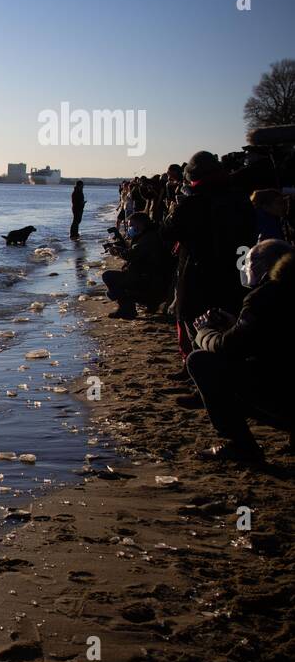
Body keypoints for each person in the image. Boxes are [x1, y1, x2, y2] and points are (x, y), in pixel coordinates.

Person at [186, 241, 295, 461]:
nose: (247, 267)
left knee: (200, 362)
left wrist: (204, 333)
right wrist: (236, 325)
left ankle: (241, 445)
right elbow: (272, 339)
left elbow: (228, 349)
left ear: (267, 265)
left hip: (284, 396)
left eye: (252, 261)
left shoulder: (265, 296)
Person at [160, 151, 255, 364]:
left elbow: (167, 233)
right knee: (227, 324)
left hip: (198, 274)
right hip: (236, 271)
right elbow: (248, 235)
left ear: (192, 176)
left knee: (197, 326)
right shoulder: (240, 198)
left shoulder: (193, 202)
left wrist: (176, 208)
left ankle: (200, 375)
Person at [100, 213, 173, 318]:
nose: (130, 228)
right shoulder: (153, 234)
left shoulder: (148, 238)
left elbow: (133, 255)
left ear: (139, 225)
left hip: (150, 280)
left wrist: (118, 252)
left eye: (131, 225)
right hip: (157, 279)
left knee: (108, 277)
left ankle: (127, 309)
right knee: (114, 288)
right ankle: (150, 303)